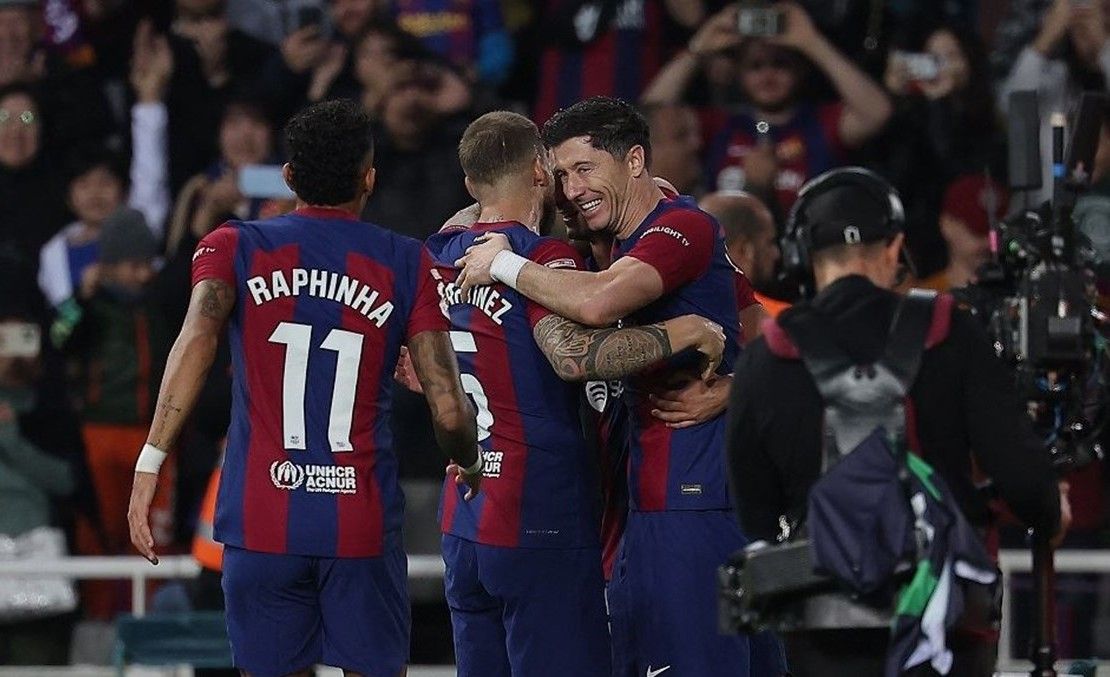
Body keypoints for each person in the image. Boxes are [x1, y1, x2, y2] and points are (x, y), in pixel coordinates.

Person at [127, 99, 481, 677]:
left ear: (289, 176)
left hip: (262, 518)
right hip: (360, 521)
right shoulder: (406, 261)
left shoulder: (233, 245)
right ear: (369, 178)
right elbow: (447, 405)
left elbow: (194, 342)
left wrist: (151, 461)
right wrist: (468, 461)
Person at [455, 96, 781, 677]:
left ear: (633, 161)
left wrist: (504, 263)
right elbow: (761, 333)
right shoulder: (615, 241)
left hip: (688, 498)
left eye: (584, 169)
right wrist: (742, 385)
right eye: (558, 175)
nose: (571, 190)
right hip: (653, 500)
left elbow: (601, 305)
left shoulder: (679, 228)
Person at [726, 167, 1070, 676]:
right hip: (945, 628)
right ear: (894, 248)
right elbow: (1022, 477)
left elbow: (753, 513)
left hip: (821, 632)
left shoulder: (766, 356)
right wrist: (1049, 512)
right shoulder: (952, 331)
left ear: (802, 257)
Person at [641, 2, 892, 215]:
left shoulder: (819, 122)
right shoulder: (723, 125)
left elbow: (877, 113)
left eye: (780, 64)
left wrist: (813, 43)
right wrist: (698, 48)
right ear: (738, 72)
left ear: (801, 68)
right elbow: (649, 114)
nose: (768, 75)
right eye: (755, 66)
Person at [700, 189, 781, 327]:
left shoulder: (669, 312)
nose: (776, 253)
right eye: (769, 242)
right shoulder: (780, 323)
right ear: (743, 249)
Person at [915, 174, 1009, 293]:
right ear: (947, 225)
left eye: (998, 232)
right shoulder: (926, 298)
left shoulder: (1020, 296)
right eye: (978, 232)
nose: (989, 243)